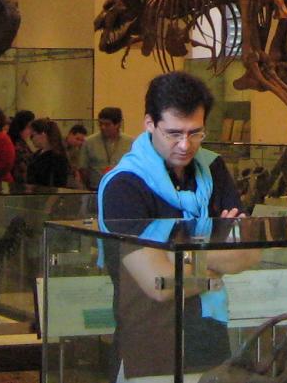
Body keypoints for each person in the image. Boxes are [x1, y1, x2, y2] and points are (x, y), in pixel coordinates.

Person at [97, 71, 254, 381]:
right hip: (148, 340)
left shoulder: (213, 167)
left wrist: (179, 256)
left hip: (210, 337)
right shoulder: (124, 185)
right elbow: (160, 285)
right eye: (173, 133)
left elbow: (249, 253)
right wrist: (217, 260)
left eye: (195, 133)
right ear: (149, 124)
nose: (185, 144)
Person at [83, 106, 134, 188]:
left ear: (118, 124)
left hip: (122, 188)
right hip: (95, 188)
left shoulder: (130, 142)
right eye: (100, 124)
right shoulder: (89, 142)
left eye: (107, 124)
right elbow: (83, 169)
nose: (102, 127)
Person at [26, 118, 70, 187]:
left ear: (43, 134)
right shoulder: (39, 154)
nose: (31, 139)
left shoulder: (57, 158)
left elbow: (58, 185)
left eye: (32, 135)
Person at [7, 109, 36, 183]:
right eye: (29, 127)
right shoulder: (16, 144)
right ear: (21, 126)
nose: (31, 131)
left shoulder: (20, 142)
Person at [65, 123, 89, 188]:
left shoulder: (76, 149)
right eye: (77, 139)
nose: (79, 142)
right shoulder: (60, 146)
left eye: (82, 140)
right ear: (70, 134)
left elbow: (75, 167)